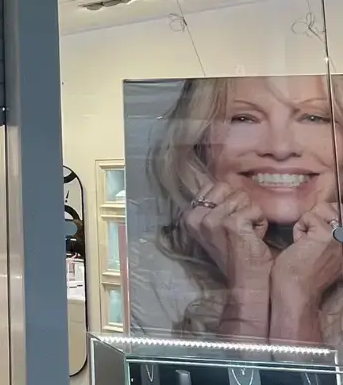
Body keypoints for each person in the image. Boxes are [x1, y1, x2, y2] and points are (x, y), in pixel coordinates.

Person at [134, 75, 343, 349]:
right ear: (200, 141)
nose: (280, 148)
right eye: (243, 118)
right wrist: (247, 292)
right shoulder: (145, 272)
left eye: (314, 117)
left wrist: (297, 293)